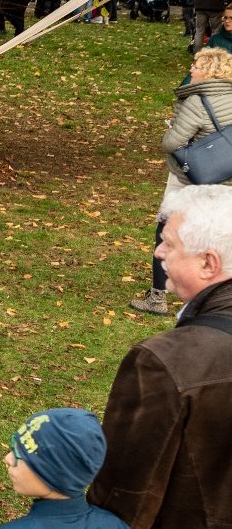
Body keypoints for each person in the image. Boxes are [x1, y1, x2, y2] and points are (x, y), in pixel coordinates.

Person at [90, 182, 232, 528]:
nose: (158, 253)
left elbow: (123, 494)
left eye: (169, 243)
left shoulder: (163, 361)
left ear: (208, 263)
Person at [142, 48, 232, 313]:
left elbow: (172, 142)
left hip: (189, 177)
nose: (191, 70)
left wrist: (170, 130)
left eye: (196, 66)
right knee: (215, 233)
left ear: (209, 71)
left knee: (167, 232)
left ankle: (157, 296)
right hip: (225, 176)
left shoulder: (197, 101)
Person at [0, 409, 127, 529]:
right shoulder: (115, 524)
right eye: (13, 446)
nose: (8, 459)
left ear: (54, 474)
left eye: (20, 454)